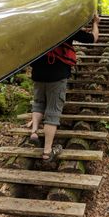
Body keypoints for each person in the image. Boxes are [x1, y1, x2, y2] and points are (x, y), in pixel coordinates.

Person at [29, 14, 100, 161]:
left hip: (38, 72)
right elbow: (92, 39)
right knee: (53, 111)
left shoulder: (38, 27)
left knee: (39, 103)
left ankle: (34, 131)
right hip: (57, 74)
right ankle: (47, 152)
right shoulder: (66, 28)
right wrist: (95, 23)